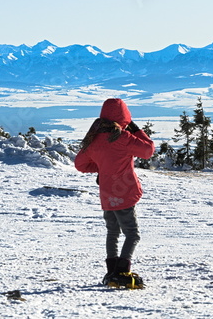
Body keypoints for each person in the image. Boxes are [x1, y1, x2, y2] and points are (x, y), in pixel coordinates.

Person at [74, 98, 155, 289]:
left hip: (107, 194)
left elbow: (80, 164)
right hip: (125, 193)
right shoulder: (122, 137)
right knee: (132, 234)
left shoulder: (94, 140)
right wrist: (136, 129)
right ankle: (122, 271)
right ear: (124, 116)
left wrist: (103, 168)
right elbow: (148, 150)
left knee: (112, 232)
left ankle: (111, 272)